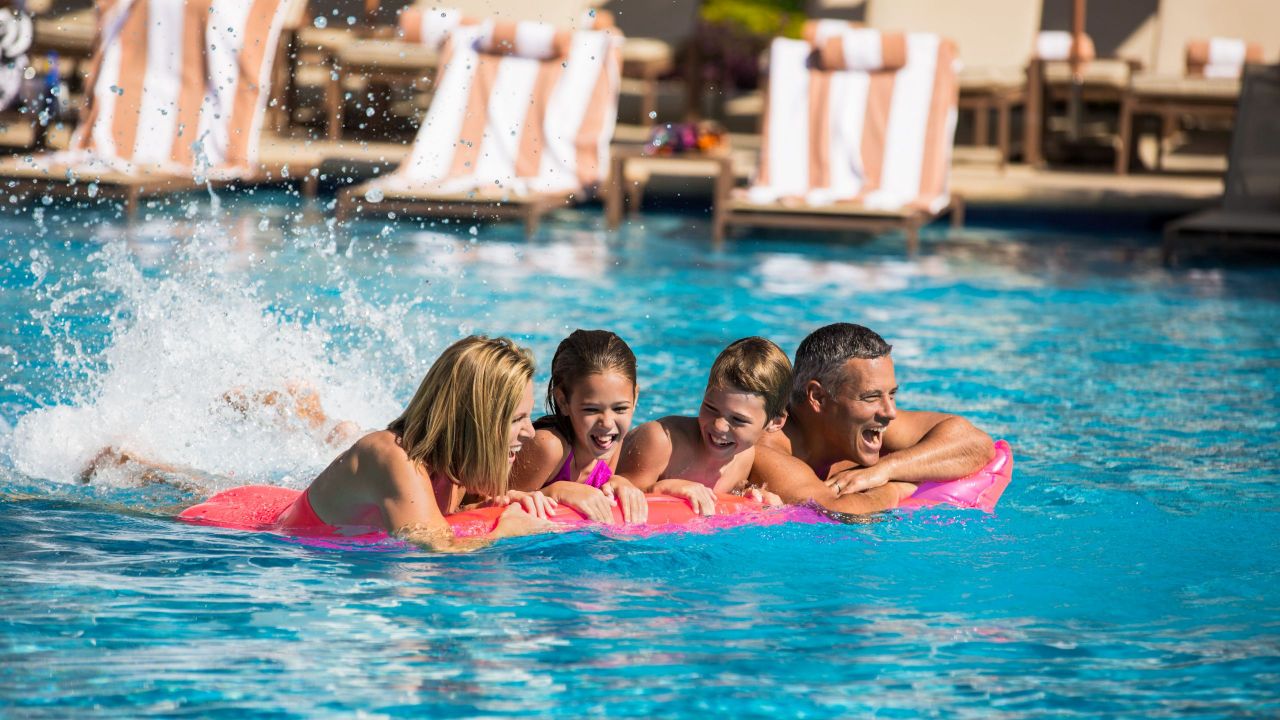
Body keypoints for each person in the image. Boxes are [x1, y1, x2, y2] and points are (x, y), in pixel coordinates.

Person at [285, 335, 559, 551]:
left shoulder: (460, 463)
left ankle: (328, 423)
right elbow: (435, 551)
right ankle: (294, 405)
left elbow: (450, 516)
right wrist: (507, 531)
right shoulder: (393, 459)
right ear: (473, 421)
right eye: (516, 419)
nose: (530, 433)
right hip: (295, 537)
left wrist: (499, 502)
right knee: (341, 435)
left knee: (343, 434)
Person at [753, 323, 994, 512]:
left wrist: (885, 470)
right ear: (818, 397)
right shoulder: (766, 450)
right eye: (871, 397)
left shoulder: (862, 424)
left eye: (892, 394)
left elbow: (976, 444)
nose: (889, 412)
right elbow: (833, 513)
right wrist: (894, 489)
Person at [617, 337, 791, 515]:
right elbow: (618, 499)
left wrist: (750, 499)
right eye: (711, 407)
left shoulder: (745, 457)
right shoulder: (661, 441)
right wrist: (662, 489)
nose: (719, 426)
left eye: (738, 420)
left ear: (775, 422)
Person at [509, 330, 648, 523]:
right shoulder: (548, 447)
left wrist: (619, 482)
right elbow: (495, 506)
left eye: (620, 408)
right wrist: (555, 491)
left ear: (635, 398)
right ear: (563, 401)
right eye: (591, 409)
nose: (607, 423)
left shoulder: (611, 442)